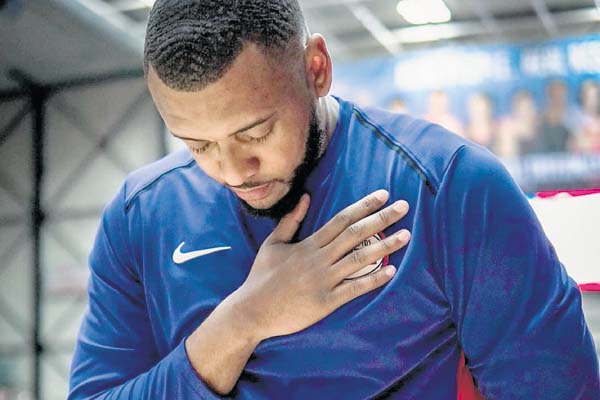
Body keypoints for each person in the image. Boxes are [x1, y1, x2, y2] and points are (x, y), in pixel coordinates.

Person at [68, 1, 600, 399]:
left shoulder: (451, 186)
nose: (230, 170)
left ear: (316, 69)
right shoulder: (140, 215)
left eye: (254, 133)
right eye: (196, 144)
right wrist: (243, 320)